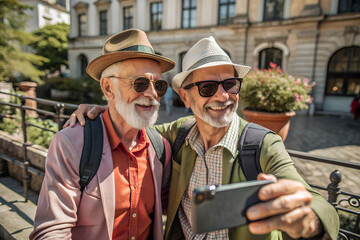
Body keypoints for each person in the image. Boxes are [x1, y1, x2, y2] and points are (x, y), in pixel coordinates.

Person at [66, 37, 339, 239]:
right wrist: (106, 108)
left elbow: (312, 200)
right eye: (207, 87)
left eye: (230, 85)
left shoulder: (261, 144)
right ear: (185, 97)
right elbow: (132, 127)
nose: (223, 96)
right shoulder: (178, 134)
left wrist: (309, 220)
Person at [30, 29, 175, 240]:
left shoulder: (160, 147)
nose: (152, 94)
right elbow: (51, 230)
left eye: (159, 85)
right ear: (108, 88)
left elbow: (172, 204)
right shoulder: (71, 143)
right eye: (140, 83)